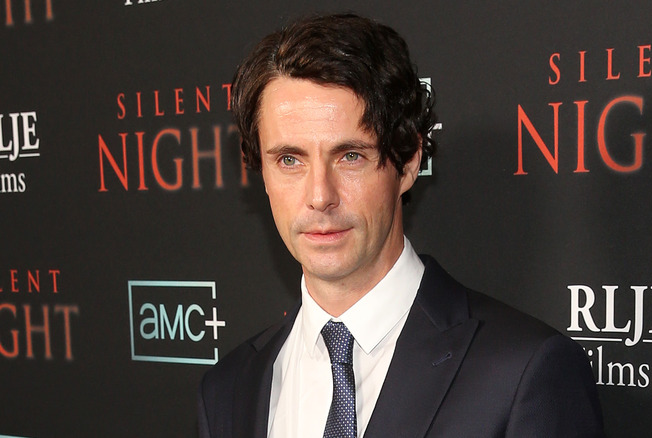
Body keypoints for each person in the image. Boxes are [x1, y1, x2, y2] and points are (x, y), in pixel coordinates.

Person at [198, 13, 604, 438]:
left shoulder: (524, 374)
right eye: (289, 160)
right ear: (262, 173)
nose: (319, 196)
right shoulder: (227, 391)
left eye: (350, 156)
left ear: (408, 162)